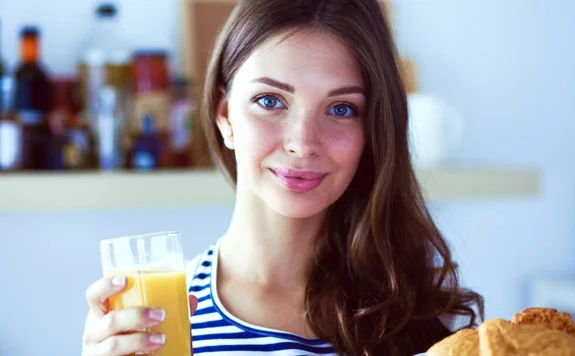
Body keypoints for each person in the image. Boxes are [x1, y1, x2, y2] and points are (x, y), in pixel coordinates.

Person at [81, 0, 484, 355]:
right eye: (270, 101)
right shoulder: (152, 323)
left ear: (372, 131)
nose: (302, 143)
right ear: (225, 116)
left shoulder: (420, 318)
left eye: (341, 109)